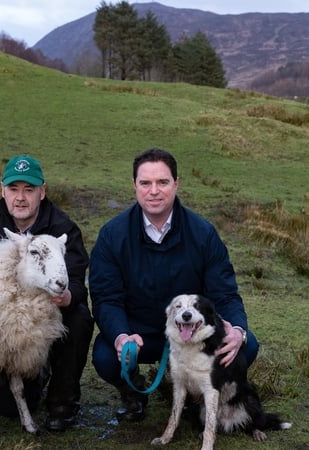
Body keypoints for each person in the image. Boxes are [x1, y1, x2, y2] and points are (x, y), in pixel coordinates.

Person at [88, 147, 259, 422]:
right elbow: (106, 297)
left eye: (162, 182)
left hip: (191, 334)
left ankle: (196, 394)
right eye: (145, 183)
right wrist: (121, 336)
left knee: (246, 347)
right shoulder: (112, 235)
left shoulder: (203, 233)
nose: (153, 191)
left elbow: (225, 293)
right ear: (135, 186)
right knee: (106, 356)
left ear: (176, 184)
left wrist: (238, 329)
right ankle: (134, 392)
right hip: (139, 333)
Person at [0, 154, 93, 432]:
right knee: (5, 410)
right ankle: (27, 374)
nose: (20, 198)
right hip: (6, 326)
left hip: (47, 320)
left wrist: (68, 296)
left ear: (43, 191)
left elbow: (76, 280)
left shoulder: (62, 229)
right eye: (14, 190)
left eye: (29, 190)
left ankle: (63, 401)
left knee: (79, 318)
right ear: (3, 190)